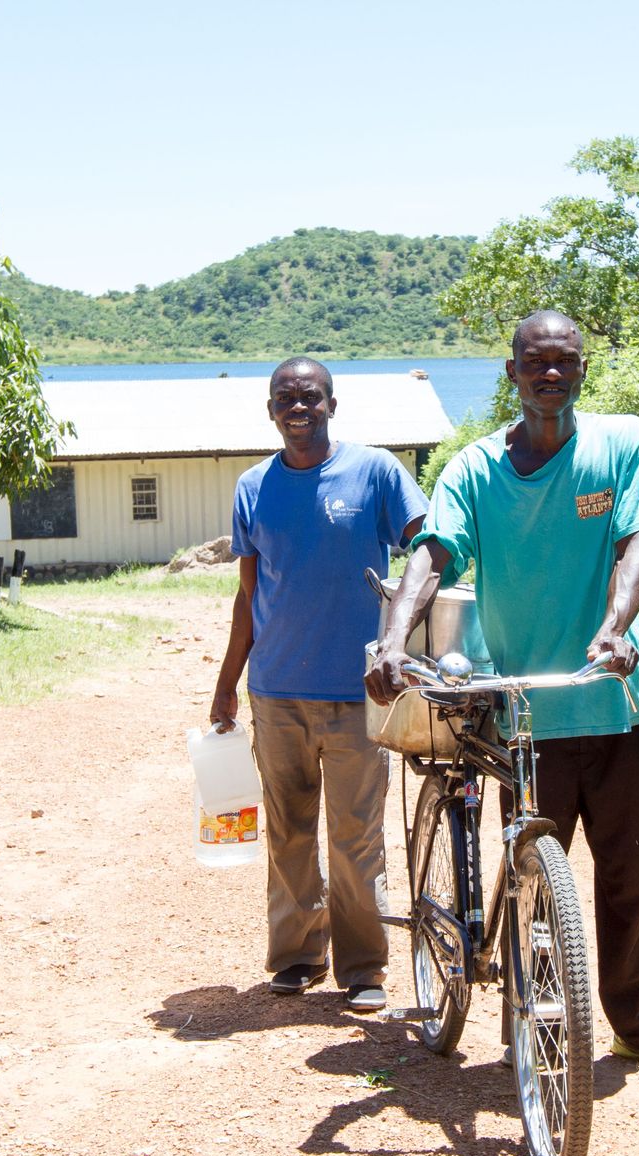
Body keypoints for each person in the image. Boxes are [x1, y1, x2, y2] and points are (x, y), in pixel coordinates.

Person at [367, 310, 639, 1072]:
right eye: (535, 362)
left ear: (583, 370)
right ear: (513, 373)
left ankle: (637, 1025)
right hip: (524, 718)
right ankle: (541, 1020)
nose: (551, 373)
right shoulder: (474, 470)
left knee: (629, 880)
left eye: (566, 361)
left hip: (612, 703)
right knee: (534, 883)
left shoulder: (622, 444)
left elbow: (635, 544)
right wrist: (392, 642)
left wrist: (616, 629)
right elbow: (431, 557)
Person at [212, 357, 428, 1011]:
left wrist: (401, 644)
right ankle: (299, 956)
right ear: (270, 410)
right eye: (285, 398)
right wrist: (227, 683)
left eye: (310, 397)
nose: (297, 408)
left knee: (357, 834)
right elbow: (249, 596)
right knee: (288, 831)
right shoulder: (253, 488)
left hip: (361, 691)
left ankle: (363, 968)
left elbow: (426, 552)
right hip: (276, 689)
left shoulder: (377, 472)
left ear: (333, 404)